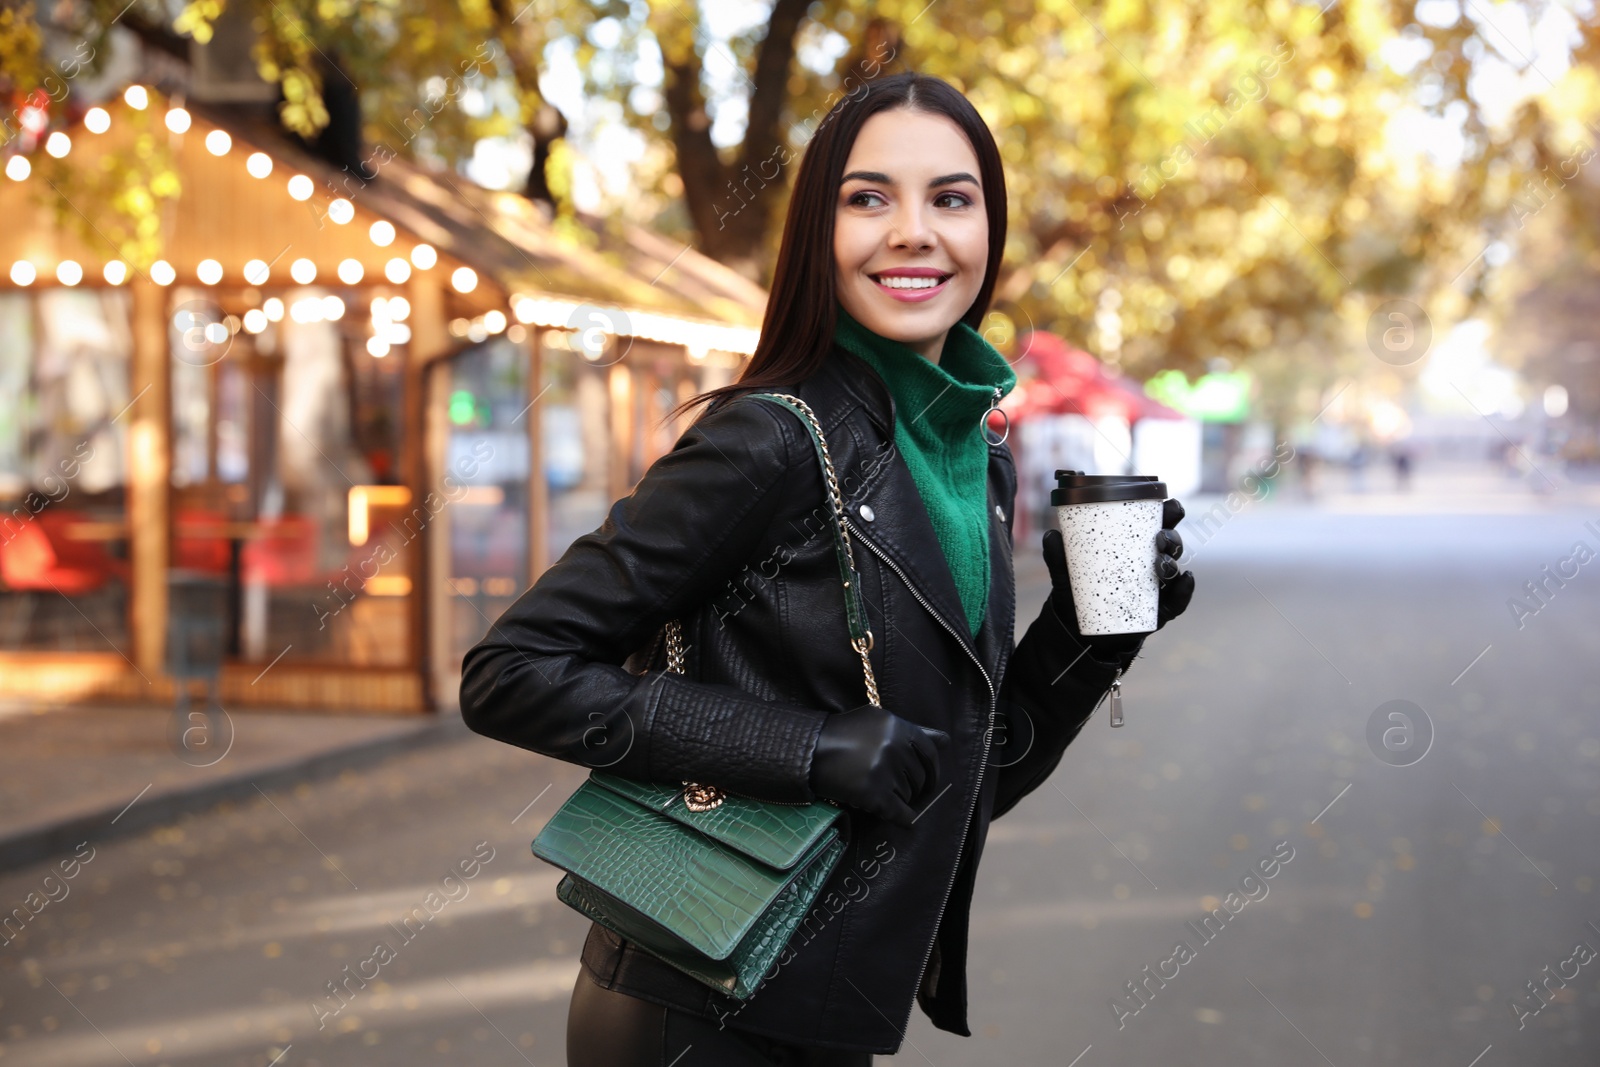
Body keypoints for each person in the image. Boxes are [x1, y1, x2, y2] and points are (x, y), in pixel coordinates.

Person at [459, 71, 1195, 1066]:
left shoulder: (971, 450)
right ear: (820, 231)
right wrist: (807, 747)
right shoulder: (766, 440)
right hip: (694, 1008)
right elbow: (511, 671)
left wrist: (1090, 636)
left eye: (950, 198)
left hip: (824, 1017)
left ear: (989, 231)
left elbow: (952, 782)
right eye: (867, 198)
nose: (911, 232)